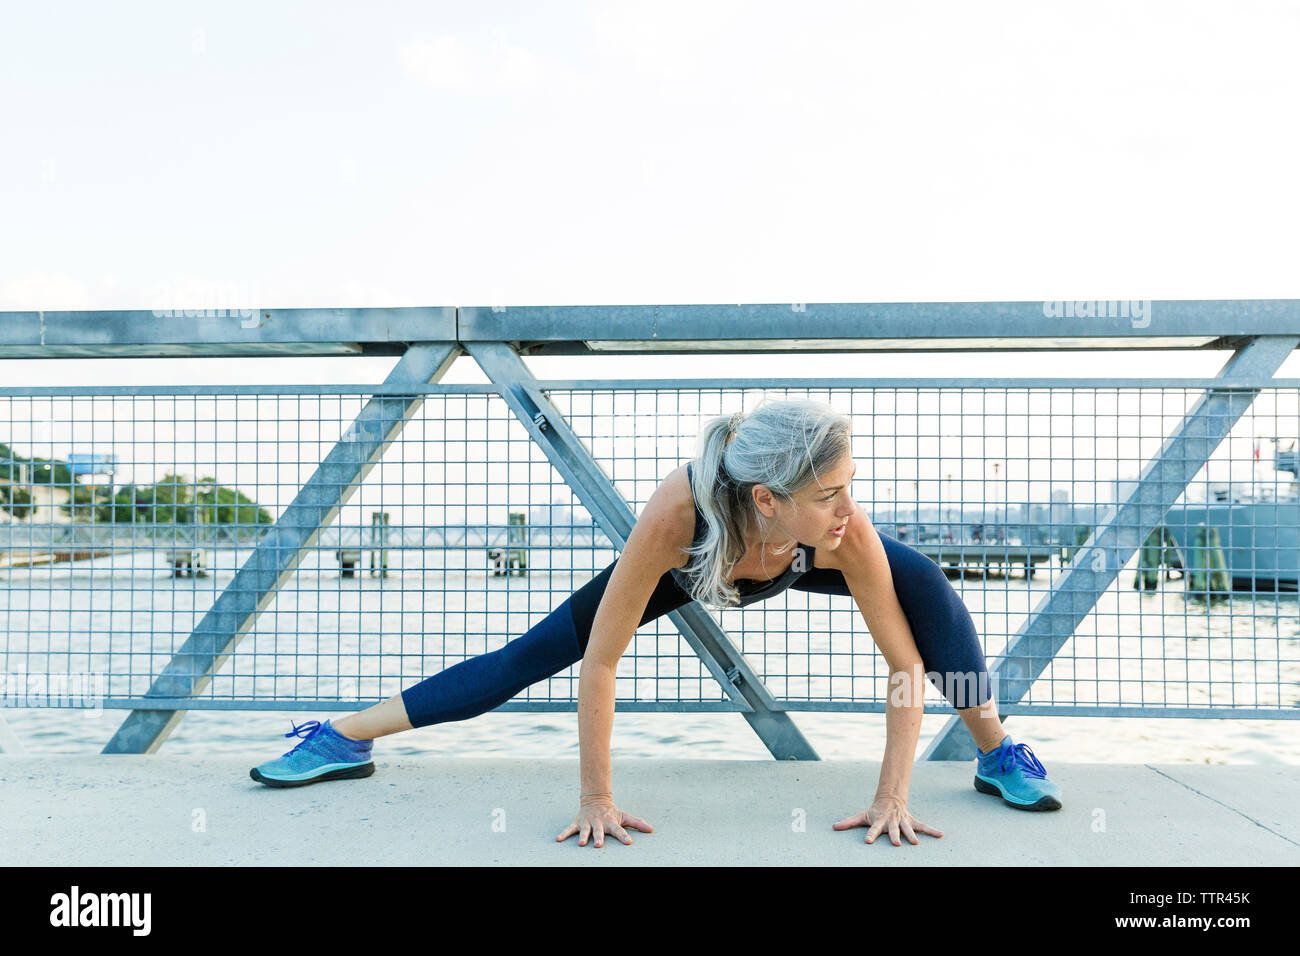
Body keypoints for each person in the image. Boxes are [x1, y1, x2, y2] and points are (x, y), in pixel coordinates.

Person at [249, 398, 1063, 847]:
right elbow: (600, 664)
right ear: (768, 499)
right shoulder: (679, 514)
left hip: (799, 559)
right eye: (831, 492)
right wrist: (597, 796)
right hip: (709, 564)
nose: (852, 507)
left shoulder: (845, 533)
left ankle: (997, 754)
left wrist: (893, 796)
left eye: (852, 485)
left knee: (937, 615)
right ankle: (343, 738)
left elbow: (903, 669)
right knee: (530, 654)